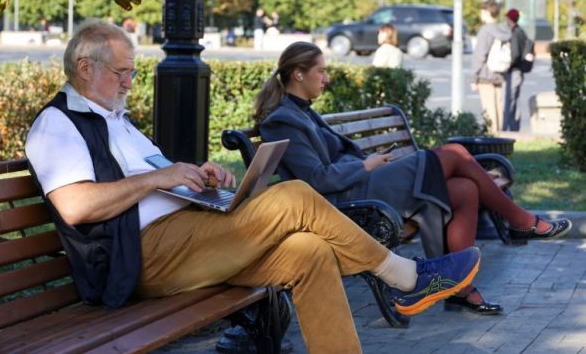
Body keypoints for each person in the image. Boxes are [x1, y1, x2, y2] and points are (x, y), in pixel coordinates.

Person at [25, 19, 482, 354]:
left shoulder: (116, 120)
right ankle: (405, 278)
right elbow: (75, 206)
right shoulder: (57, 125)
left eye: (132, 72)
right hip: (143, 256)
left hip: (190, 236)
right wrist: (159, 177)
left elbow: (155, 179)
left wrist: (195, 175)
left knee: (309, 251)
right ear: (85, 68)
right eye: (121, 72)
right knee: (297, 195)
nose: (129, 82)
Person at [255, 41, 572, 316]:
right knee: (455, 153)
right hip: (347, 197)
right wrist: (367, 166)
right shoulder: (283, 120)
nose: (326, 78)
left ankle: (460, 291)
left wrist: (370, 163)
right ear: (298, 73)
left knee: (463, 190)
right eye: (320, 71)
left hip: (362, 180)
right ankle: (522, 220)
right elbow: (317, 178)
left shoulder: (303, 111)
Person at [471, 0, 512, 132]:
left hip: (485, 74)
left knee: (489, 108)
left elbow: (480, 55)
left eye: (482, 11)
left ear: (487, 12)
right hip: (499, 73)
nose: (480, 14)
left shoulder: (485, 31)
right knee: (498, 106)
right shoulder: (502, 29)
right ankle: (500, 134)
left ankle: (492, 137)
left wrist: (474, 77)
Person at [503, 8, 533, 131]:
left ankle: (507, 127)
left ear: (509, 19)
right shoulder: (521, 31)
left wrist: (507, 65)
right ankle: (514, 126)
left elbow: (514, 54)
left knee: (510, 99)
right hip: (520, 70)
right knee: (515, 98)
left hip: (514, 70)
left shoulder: (515, 33)